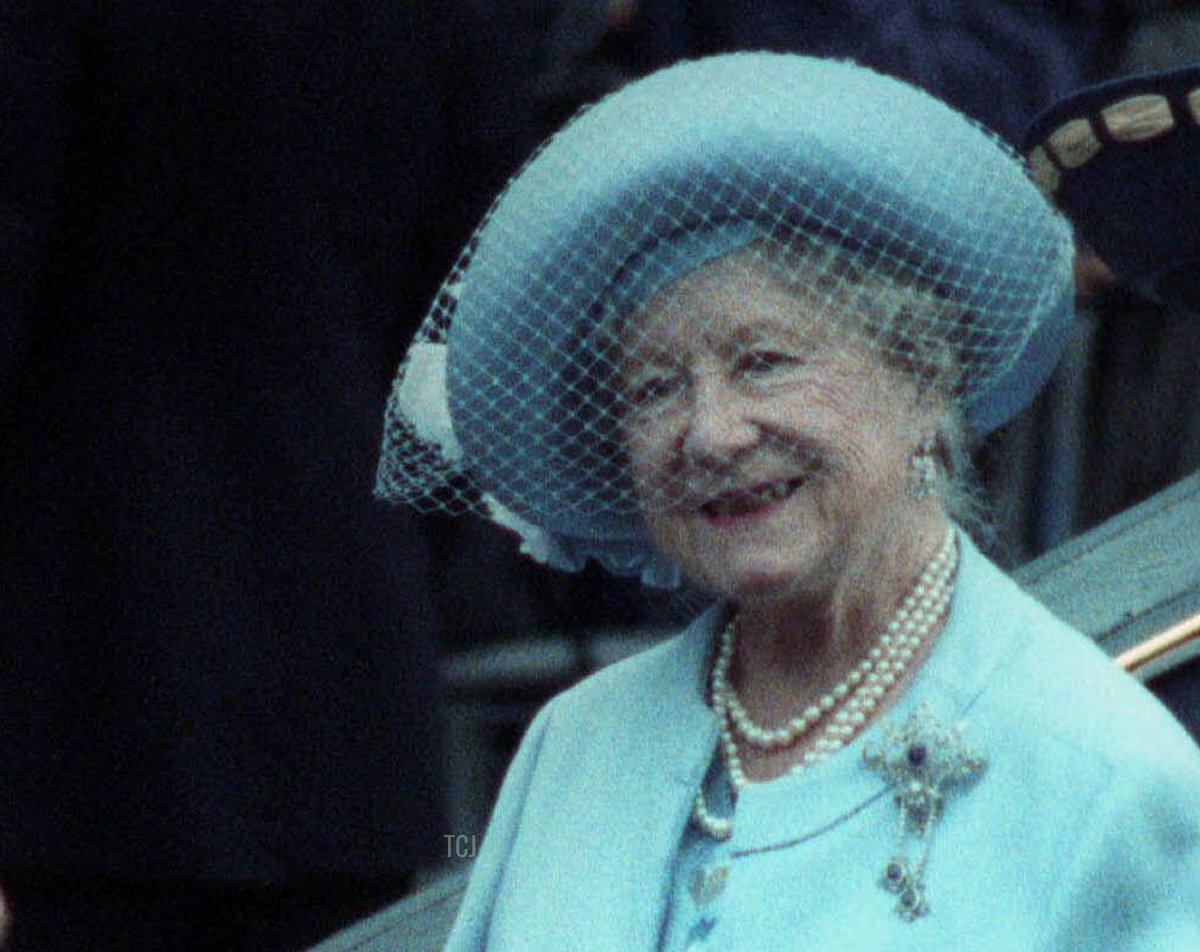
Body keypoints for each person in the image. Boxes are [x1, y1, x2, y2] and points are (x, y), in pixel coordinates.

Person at [374, 53, 1200, 948]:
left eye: (762, 362)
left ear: (923, 378)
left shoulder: (1103, 772)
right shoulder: (576, 746)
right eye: (655, 389)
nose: (712, 433)